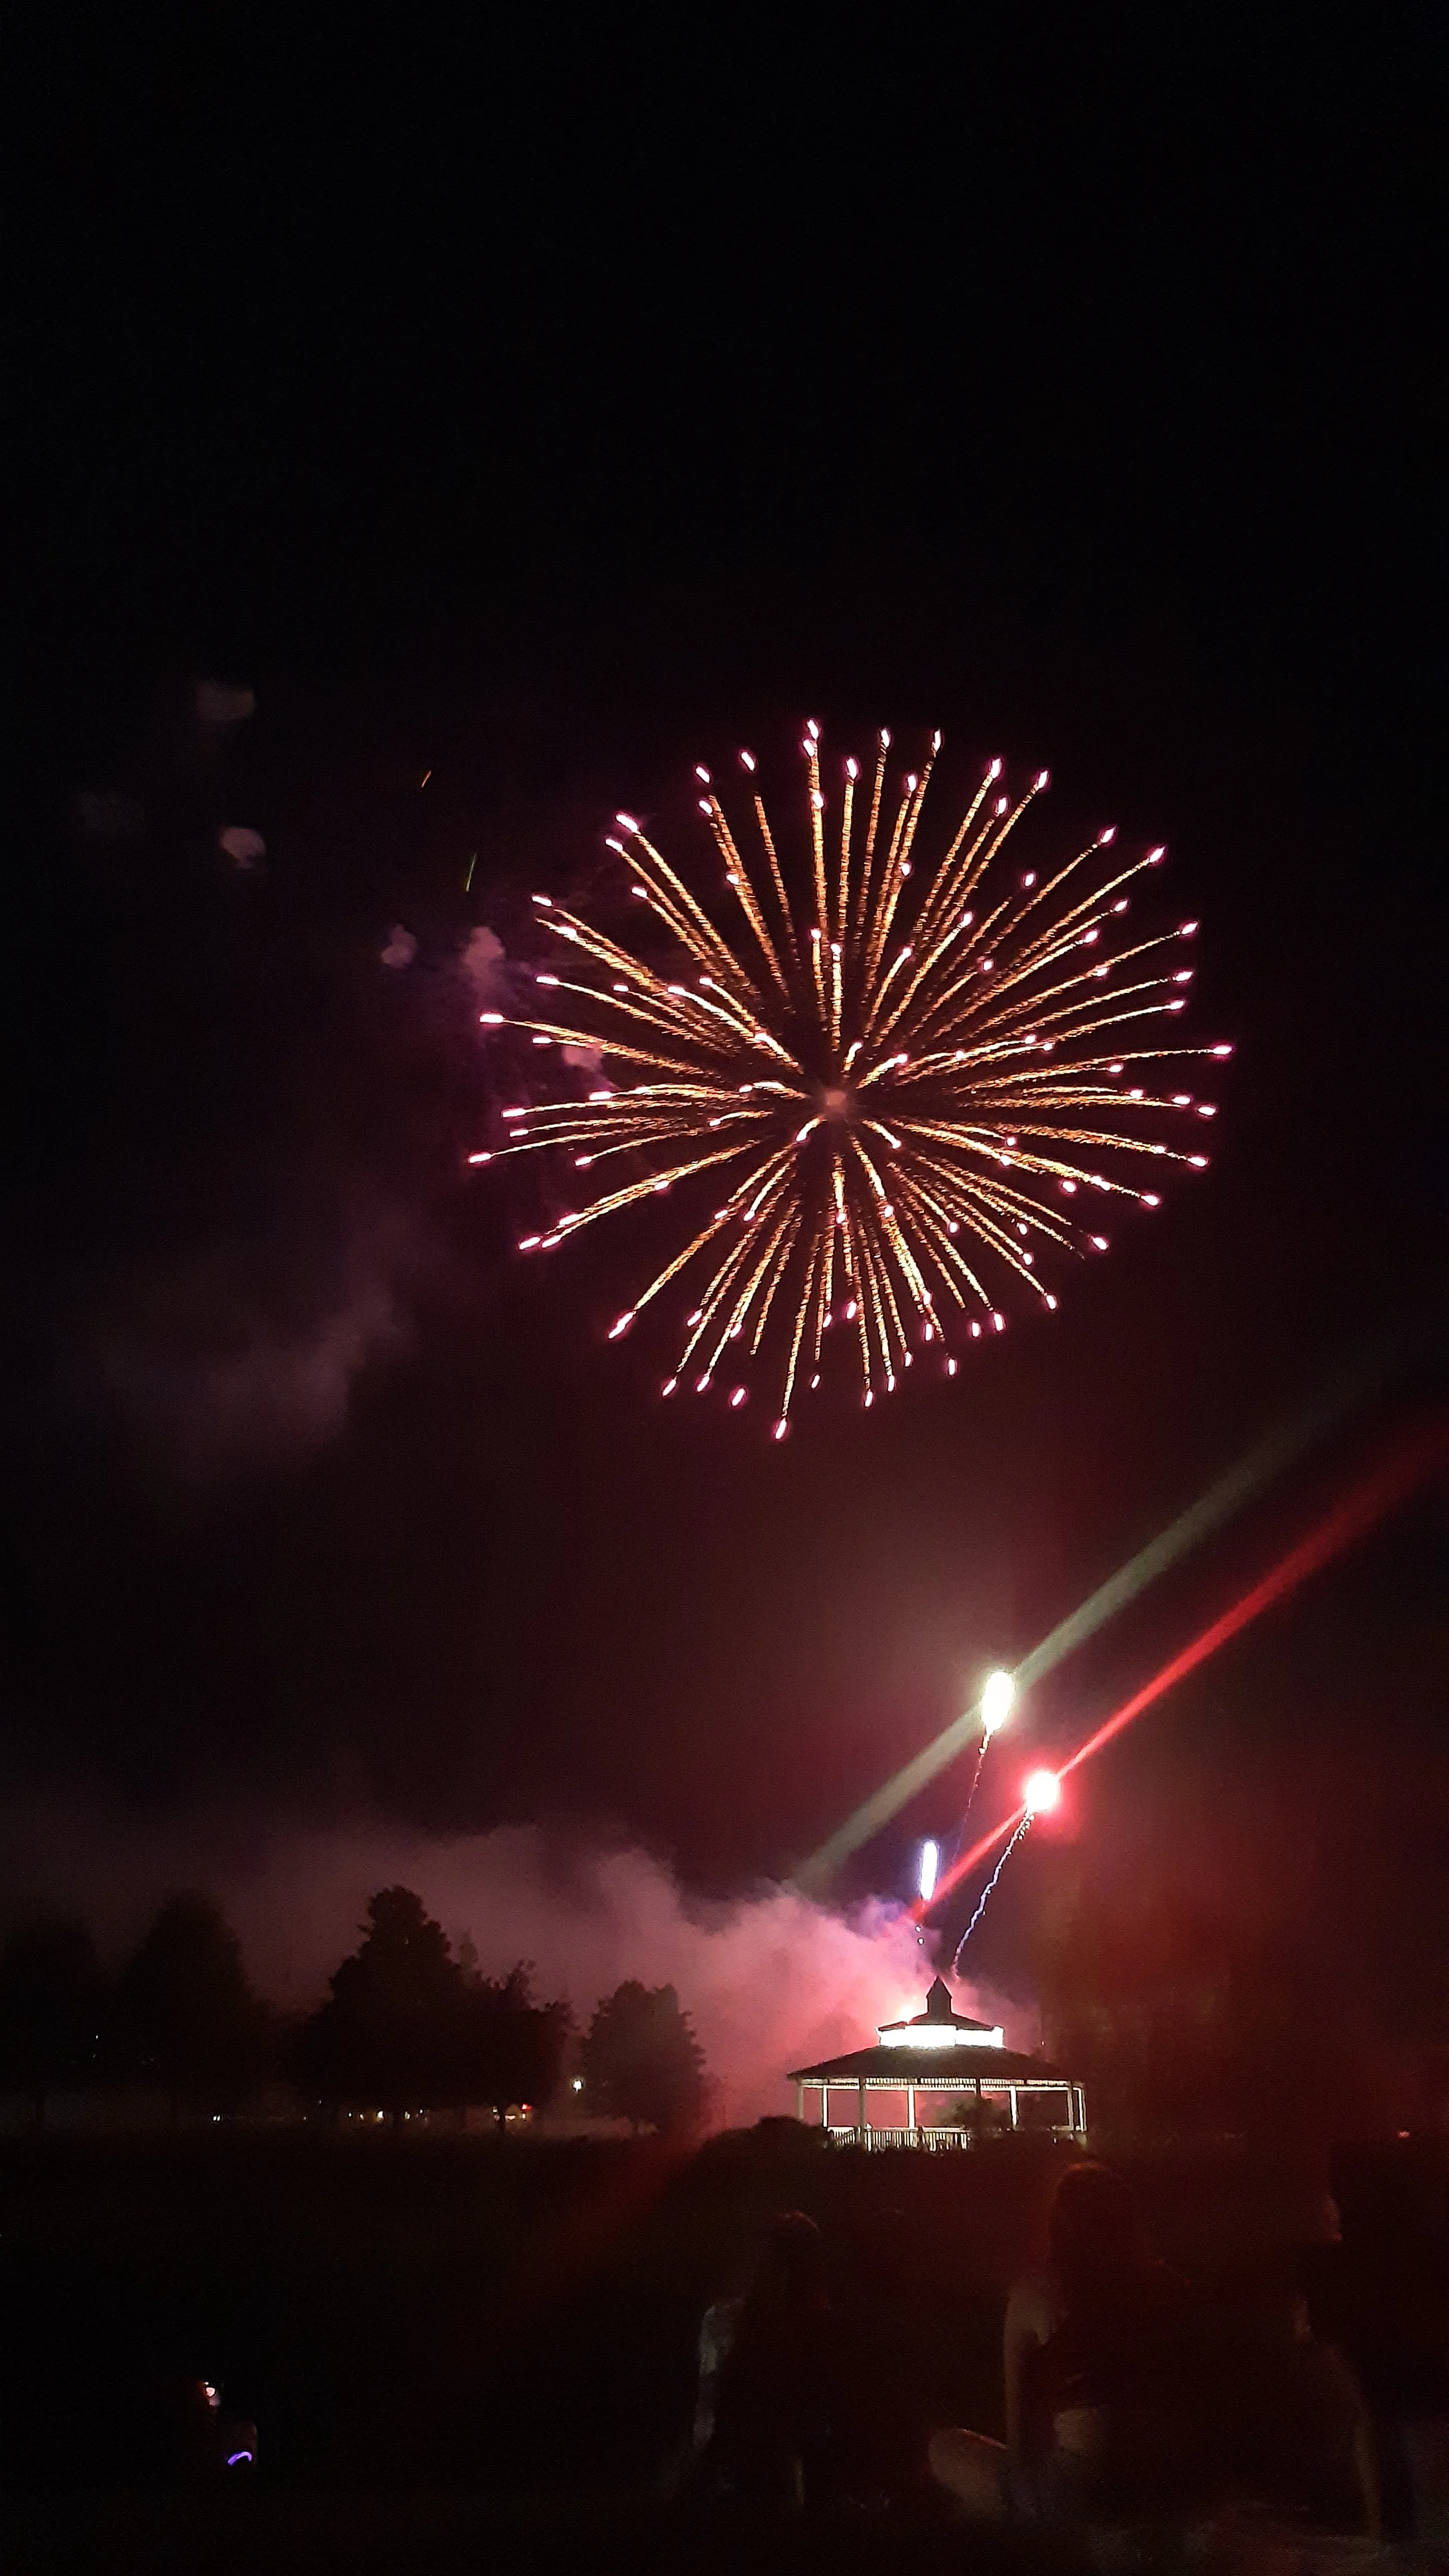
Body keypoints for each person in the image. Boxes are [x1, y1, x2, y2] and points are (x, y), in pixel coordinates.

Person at [930, 2160, 1200, 2528]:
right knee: (970, 2504)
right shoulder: (1167, 2287)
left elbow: (1018, 2429)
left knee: (943, 2448)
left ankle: (1007, 2521)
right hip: (1161, 2480)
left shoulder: (1036, 2294)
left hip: (1078, 2491)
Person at [692, 2209, 832, 2508]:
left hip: (753, 2464)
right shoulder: (824, 2326)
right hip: (778, 2466)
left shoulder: (728, 2321)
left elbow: (710, 2401)